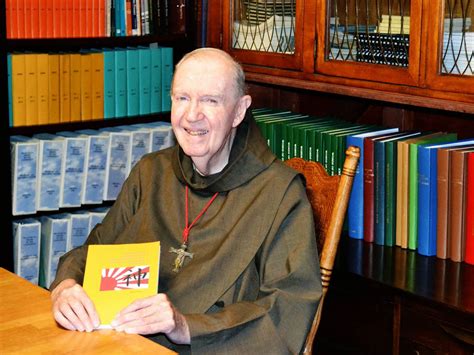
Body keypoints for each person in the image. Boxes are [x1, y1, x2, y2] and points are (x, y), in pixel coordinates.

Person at [50, 47, 322, 354]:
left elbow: (288, 309)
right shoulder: (151, 172)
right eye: (182, 98)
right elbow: (96, 250)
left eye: (210, 100)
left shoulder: (279, 193)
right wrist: (66, 286)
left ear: (239, 110)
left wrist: (186, 327)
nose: (192, 115)